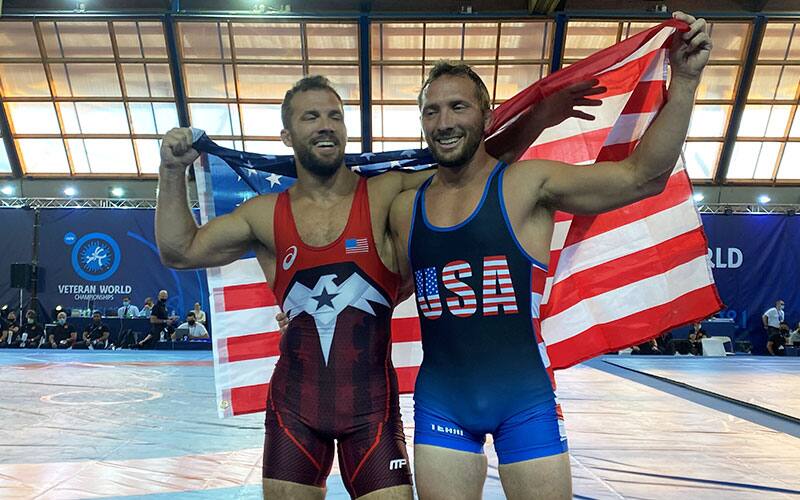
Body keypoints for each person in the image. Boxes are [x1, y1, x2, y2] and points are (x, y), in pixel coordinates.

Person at [157, 70, 599, 498]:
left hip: (372, 412)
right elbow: (181, 250)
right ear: (287, 137)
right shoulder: (262, 213)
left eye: (335, 115)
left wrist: (538, 118)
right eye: (310, 117)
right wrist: (170, 170)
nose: (326, 126)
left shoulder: (386, 194)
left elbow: (473, 167)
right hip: (295, 407)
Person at [385, 12, 711, 498]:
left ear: (488, 116)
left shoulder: (526, 184)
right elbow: (383, 287)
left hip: (526, 401)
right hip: (442, 404)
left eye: (457, 107)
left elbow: (643, 176)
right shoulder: (406, 206)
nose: (444, 122)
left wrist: (683, 82)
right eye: (431, 111)